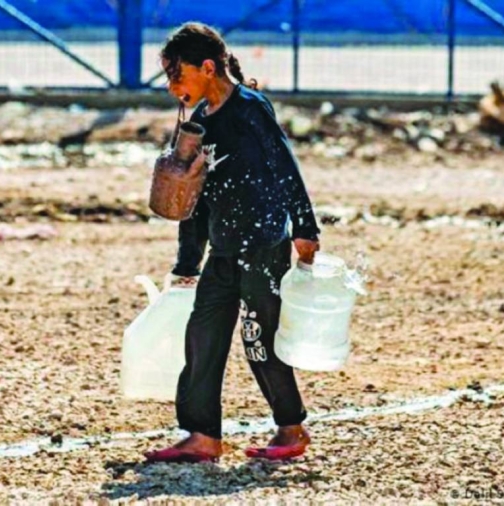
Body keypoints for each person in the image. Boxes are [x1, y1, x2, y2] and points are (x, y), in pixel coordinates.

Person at [144, 22, 320, 464]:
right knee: (202, 337)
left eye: (176, 74)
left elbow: (284, 165)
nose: (172, 86)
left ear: (207, 67)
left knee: (259, 339)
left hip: (263, 245)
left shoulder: (249, 109)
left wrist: (304, 226)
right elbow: (195, 200)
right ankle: (203, 435)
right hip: (223, 250)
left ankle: (291, 427)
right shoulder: (199, 125)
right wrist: (187, 264)